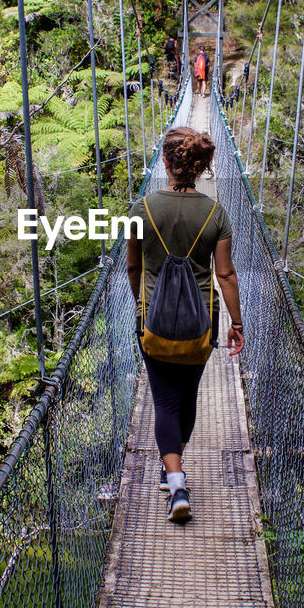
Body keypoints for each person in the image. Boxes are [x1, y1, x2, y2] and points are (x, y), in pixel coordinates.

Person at [126, 127, 244, 523]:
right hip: (201, 325)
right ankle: (173, 467)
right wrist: (236, 323)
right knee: (187, 397)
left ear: (165, 162)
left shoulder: (142, 209)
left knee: (163, 400)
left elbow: (133, 266)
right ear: (203, 167)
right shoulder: (217, 214)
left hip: (154, 323)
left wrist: (140, 304)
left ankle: (175, 479)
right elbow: (226, 275)